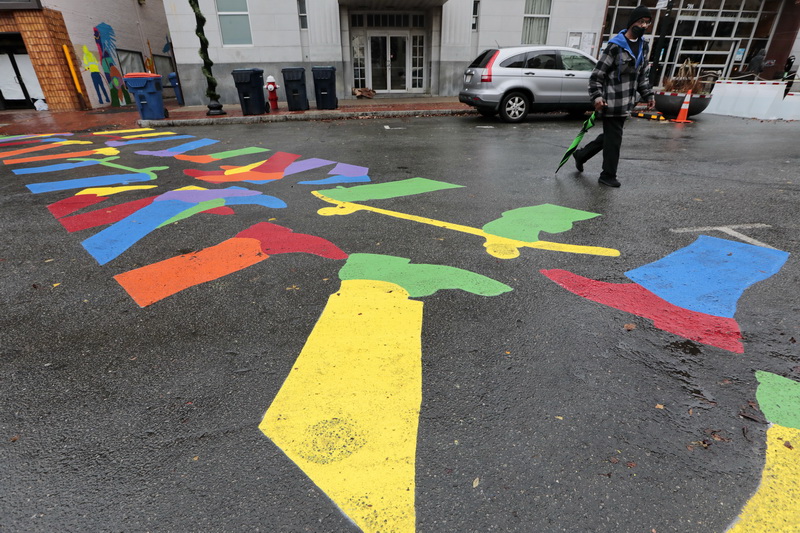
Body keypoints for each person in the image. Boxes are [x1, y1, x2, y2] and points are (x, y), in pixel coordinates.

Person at [573, 5, 655, 188]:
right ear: (632, 21)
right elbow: (596, 76)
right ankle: (607, 175)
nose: (643, 26)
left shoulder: (644, 47)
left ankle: (581, 155)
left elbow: (642, 75)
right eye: (641, 21)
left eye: (647, 23)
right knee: (614, 139)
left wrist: (648, 95)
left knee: (610, 136)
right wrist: (597, 97)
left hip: (627, 103)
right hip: (610, 102)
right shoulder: (615, 47)